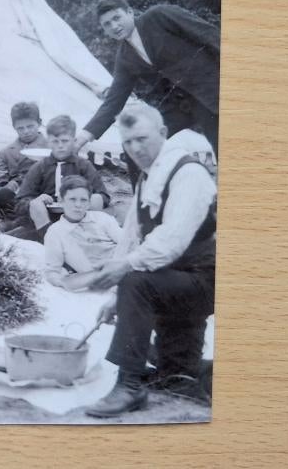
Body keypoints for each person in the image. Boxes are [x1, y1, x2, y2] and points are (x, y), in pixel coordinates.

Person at [85, 104, 216, 418]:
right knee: (176, 376)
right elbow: (131, 236)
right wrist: (115, 296)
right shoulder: (148, 179)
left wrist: (125, 272)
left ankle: (129, 385)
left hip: (207, 279)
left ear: (163, 133)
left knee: (136, 280)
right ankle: (184, 364)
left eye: (142, 139)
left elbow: (171, 242)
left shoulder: (189, 174)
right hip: (177, 279)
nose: (135, 149)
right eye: (128, 142)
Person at [75, 0, 220, 164]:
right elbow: (113, 101)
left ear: (129, 12)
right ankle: (144, 190)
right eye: (107, 24)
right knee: (135, 145)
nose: (114, 26)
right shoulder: (124, 58)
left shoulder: (158, 16)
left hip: (211, 93)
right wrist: (83, 137)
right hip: (180, 107)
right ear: (104, 30)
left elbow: (208, 34)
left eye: (117, 17)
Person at [10, 115, 110, 243]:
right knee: (34, 205)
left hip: (77, 217)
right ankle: (53, 242)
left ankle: (80, 237)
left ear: (74, 141)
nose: (60, 146)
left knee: (97, 198)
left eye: (65, 141)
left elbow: (104, 196)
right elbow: (20, 202)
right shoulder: (40, 167)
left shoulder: (83, 165)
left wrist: (81, 199)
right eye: (55, 142)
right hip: (47, 219)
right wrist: (39, 200)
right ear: (48, 142)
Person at [43, 175, 129, 291]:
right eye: (72, 199)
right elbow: (52, 270)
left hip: (125, 268)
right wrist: (61, 281)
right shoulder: (55, 232)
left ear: (89, 203)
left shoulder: (102, 218)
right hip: (100, 279)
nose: (78, 205)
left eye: (83, 200)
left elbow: (128, 243)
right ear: (61, 201)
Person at [0, 101, 49, 221]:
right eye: (20, 128)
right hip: (15, 193)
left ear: (40, 123)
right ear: (14, 127)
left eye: (30, 126)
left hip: (41, 192)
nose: (26, 131)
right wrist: (3, 185)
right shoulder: (8, 151)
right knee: (0, 194)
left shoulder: (50, 147)